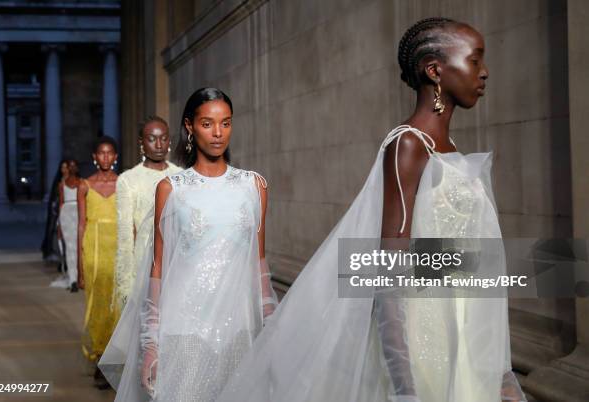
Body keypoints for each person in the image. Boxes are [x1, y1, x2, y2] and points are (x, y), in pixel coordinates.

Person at [217, 18, 526, 402]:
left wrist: (497, 366)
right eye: (475, 59)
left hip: (461, 333)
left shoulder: (449, 149)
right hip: (425, 344)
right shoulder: (409, 145)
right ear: (435, 70)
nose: (484, 72)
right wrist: (404, 385)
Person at [99, 88, 277, 402]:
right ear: (189, 126)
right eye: (207, 123)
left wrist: (271, 323)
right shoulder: (171, 189)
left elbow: (258, 262)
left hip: (238, 327)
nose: (218, 133)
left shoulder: (254, 186)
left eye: (226, 123)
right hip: (185, 327)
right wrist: (151, 343)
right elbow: (157, 266)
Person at [114, 116, 180, 311]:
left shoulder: (182, 175)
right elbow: (126, 235)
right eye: (152, 139)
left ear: (170, 141)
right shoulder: (128, 180)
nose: (159, 144)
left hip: (177, 260)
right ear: (141, 143)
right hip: (144, 262)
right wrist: (126, 284)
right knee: (147, 328)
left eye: (164, 138)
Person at [77, 136, 119, 388]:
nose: (105, 157)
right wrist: (80, 266)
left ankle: (115, 359)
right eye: (101, 153)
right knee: (98, 305)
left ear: (115, 156)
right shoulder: (85, 185)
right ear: (95, 156)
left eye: (110, 153)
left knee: (118, 305)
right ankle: (101, 359)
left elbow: (131, 223)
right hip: (93, 249)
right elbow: (81, 224)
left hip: (117, 249)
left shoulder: (124, 183)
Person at [57, 159, 81, 292]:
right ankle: (73, 280)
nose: (71, 168)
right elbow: (61, 203)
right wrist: (60, 224)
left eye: (73, 166)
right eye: (69, 166)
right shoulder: (62, 184)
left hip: (78, 214)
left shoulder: (82, 183)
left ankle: (80, 277)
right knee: (70, 248)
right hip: (66, 215)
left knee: (79, 247)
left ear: (76, 168)